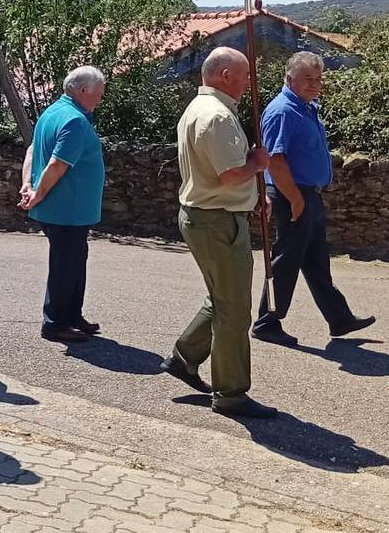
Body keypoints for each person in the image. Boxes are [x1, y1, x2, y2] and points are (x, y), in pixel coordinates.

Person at [161, 47, 277, 419]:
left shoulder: (198, 109)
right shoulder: (218, 116)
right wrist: (258, 164)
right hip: (218, 220)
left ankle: (184, 356)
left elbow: (222, 176)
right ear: (226, 75)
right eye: (244, 76)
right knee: (233, 309)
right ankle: (230, 394)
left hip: (207, 216)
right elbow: (230, 175)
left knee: (221, 297)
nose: (247, 83)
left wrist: (250, 196)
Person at [251, 52, 376, 345]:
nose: (315, 84)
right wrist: (295, 199)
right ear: (289, 78)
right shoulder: (283, 111)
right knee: (286, 259)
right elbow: (275, 160)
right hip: (292, 194)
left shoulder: (306, 108)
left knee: (316, 259)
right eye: (308, 79)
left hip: (308, 195)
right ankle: (266, 322)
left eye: (318, 79)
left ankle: (339, 318)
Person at [19, 66, 108, 343]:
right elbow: (57, 164)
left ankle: (70, 315)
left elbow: (32, 150)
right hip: (67, 209)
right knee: (65, 264)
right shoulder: (75, 121)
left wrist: (28, 185)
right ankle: (55, 322)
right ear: (83, 91)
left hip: (68, 209)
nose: (100, 99)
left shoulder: (52, 112)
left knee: (74, 260)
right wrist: (39, 192)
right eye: (98, 94)